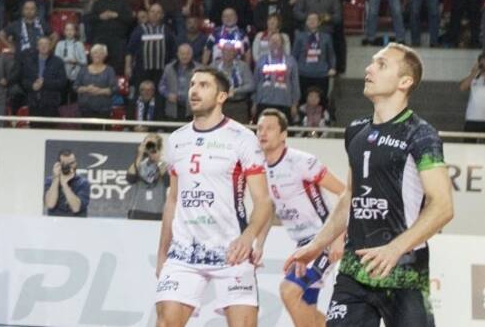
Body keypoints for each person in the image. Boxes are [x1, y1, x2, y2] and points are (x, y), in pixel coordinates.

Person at [284, 43, 453, 327]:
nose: (369, 68)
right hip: (354, 270)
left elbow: (443, 206)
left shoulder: (421, 134)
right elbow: (350, 196)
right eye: (372, 62)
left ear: (404, 82)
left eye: (381, 64)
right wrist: (317, 245)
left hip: (404, 271)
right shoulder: (355, 131)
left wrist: (394, 249)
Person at [155, 68, 272, 326]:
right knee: (165, 322)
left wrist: (248, 237)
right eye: (192, 84)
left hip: (231, 251)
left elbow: (264, 201)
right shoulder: (177, 139)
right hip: (184, 253)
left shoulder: (242, 138)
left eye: (204, 85)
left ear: (221, 97)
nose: (194, 90)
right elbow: (173, 199)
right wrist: (162, 252)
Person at [255, 109, 346, 327]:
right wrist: (259, 245)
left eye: (269, 128)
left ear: (283, 135)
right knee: (305, 308)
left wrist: (338, 236)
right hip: (303, 245)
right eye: (259, 128)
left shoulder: (301, 161)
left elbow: (344, 192)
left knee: (289, 291)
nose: (263, 133)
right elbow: (267, 209)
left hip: (322, 239)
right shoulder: (261, 169)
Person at [252, 34, 300, 123]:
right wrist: (254, 103)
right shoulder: (261, 60)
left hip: (284, 103)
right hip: (263, 102)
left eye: (277, 40)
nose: (275, 42)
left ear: (283, 43)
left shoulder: (291, 61)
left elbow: (295, 84)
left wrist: (294, 104)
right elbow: (256, 82)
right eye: (272, 40)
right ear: (269, 43)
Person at [22, 35, 67, 118]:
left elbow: (62, 82)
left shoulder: (58, 62)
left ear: (50, 46)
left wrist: (44, 83)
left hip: (51, 104)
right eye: (41, 44)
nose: (43, 46)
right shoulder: (29, 61)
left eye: (46, 44)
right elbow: (24, 80)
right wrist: (32, 86)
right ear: (37, 47)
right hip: (33, 103)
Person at [125, 133, 168, 220]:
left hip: (157, 212)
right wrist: (139, 155)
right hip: (137, 211)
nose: (150, 148)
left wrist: (158, 160)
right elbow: (130, 179)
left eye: (153, 145)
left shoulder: (164, 165)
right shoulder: (139, 164)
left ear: (159, 148)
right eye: (147, 144)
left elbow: (168, 181)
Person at [75, 44, 117, 121]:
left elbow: (114, 89)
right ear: (91, 55)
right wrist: (86, 89)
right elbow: (76, 87)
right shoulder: (83, 70)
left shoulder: (109, 70)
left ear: (105, 56)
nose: (98, 55)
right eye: (95, 53)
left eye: (101, 53)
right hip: (85, 109)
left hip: (104, 110)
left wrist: (99, 91)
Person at [44, 149, 89, 217]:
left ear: (76, 163)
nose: (69, 167)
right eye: (65, 164)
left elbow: (76, 208)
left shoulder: (83, 183)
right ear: (58, 165)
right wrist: (56, 178)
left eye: (72, 163)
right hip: (55, 222)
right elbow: (50, 204)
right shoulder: (50, 181)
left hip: (76, 223)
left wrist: (64, 184)